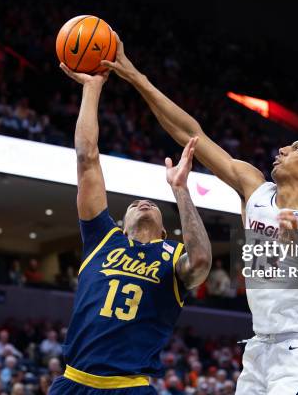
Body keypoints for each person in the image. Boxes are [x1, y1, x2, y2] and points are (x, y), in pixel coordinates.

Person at [103, 37, 298, 395]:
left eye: (297, 148)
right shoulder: (255, 188)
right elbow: (192, 135)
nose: (282, 148)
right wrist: (137, 78)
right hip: (258, 348)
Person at [49, 64, 212, 395]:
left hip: (130, 387)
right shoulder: (103, 238)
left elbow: (201, 264)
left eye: (152, 204)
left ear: (166, 233)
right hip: (74, 382)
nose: (144, 202)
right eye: (135, 203)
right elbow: (86, 158)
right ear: (120, 225)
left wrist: (180, 190)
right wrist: (92, 87)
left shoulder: (173, 255)